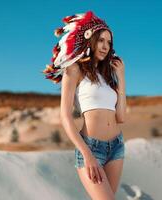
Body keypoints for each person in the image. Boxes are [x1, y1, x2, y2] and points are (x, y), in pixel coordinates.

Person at [42, 11, 126, 200]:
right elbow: (65, 116)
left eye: (109, 42)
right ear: (91, 40)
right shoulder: (74, 70)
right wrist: (87, 154)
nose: (105, 46)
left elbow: (121, 117)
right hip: (91, 148)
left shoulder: (108, 76)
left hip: (116, 147)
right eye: (101, 40)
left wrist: (121, 77)